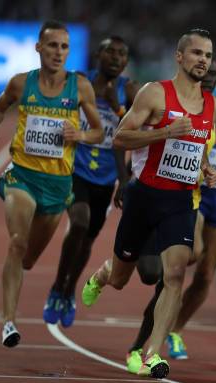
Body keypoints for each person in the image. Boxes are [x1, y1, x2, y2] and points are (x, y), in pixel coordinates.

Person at [80, 28, 216, 379]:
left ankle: (152, 354)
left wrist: (205, 168)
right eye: (197, 53)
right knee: (122, 279)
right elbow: (121, 138)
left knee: (174, 274)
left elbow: (198, 144)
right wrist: (164, 132)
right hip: (144, 197)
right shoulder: (155, 93)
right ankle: (104, 273)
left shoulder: (209, 102)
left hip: (181, 200)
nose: (203, 60)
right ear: (179, 56)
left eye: (207, 55)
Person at [125, 50, 216, 373]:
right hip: (192, 194)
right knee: (184, 260)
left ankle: (174, 330)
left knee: (206, 273)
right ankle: (148, 334)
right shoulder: (209, 102)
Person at [0, 20, 103, 347]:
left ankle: (25, 289)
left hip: (57, 185)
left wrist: (80, 135)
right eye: (53, 45)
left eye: (64, 46)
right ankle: (9, 323)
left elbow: (99, 132)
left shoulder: (80, 87)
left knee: (28, 258)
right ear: (38, 48)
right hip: (22, 176)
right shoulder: (19, 84)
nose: (58, 52)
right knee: (16, 242)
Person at [43, 35, 139, 328]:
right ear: (98, 54)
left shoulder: (129, 90)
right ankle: (58, 286)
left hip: (107, 176)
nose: (116, 58)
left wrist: (124, 181)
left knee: (88, 239)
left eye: (122, 54)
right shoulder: (81, 81)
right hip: (76, 169)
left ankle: (70, 289)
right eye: (111, 52)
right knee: (80, 221)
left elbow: (133, 133)